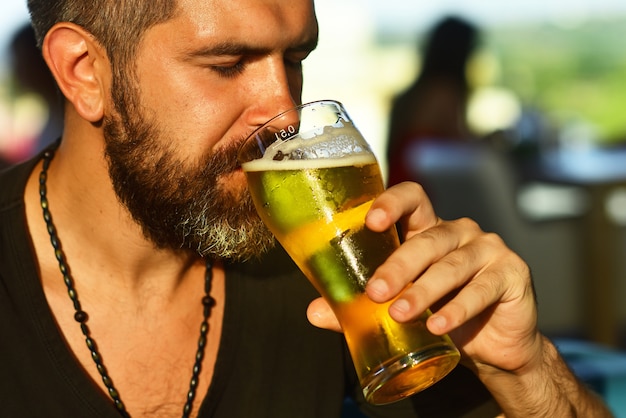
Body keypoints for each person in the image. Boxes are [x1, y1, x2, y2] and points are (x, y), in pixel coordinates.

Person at [0, 1, 612, 417]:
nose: (286, 112)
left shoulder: (328, 259)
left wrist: (528, 373)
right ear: (84, 71)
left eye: (294, 60)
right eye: (227, 63)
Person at [386, 16, 479, 187]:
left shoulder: (412, 94)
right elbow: (464, 145)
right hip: (422, 191)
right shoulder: (444, 92)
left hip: (398, 187)